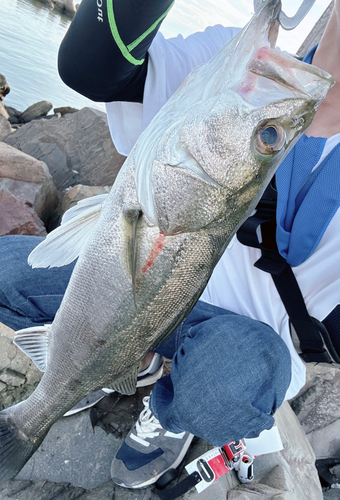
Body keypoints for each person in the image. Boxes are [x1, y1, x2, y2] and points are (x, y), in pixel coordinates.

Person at [0, 0, 340, 490]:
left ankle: (172, 409)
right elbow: (92, 69)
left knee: (224, 388)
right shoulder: (247, 67)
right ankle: (111, 364)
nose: (269, 130)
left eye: (269, 137)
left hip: (244, 340)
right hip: (143, 295)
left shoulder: (260, 94)